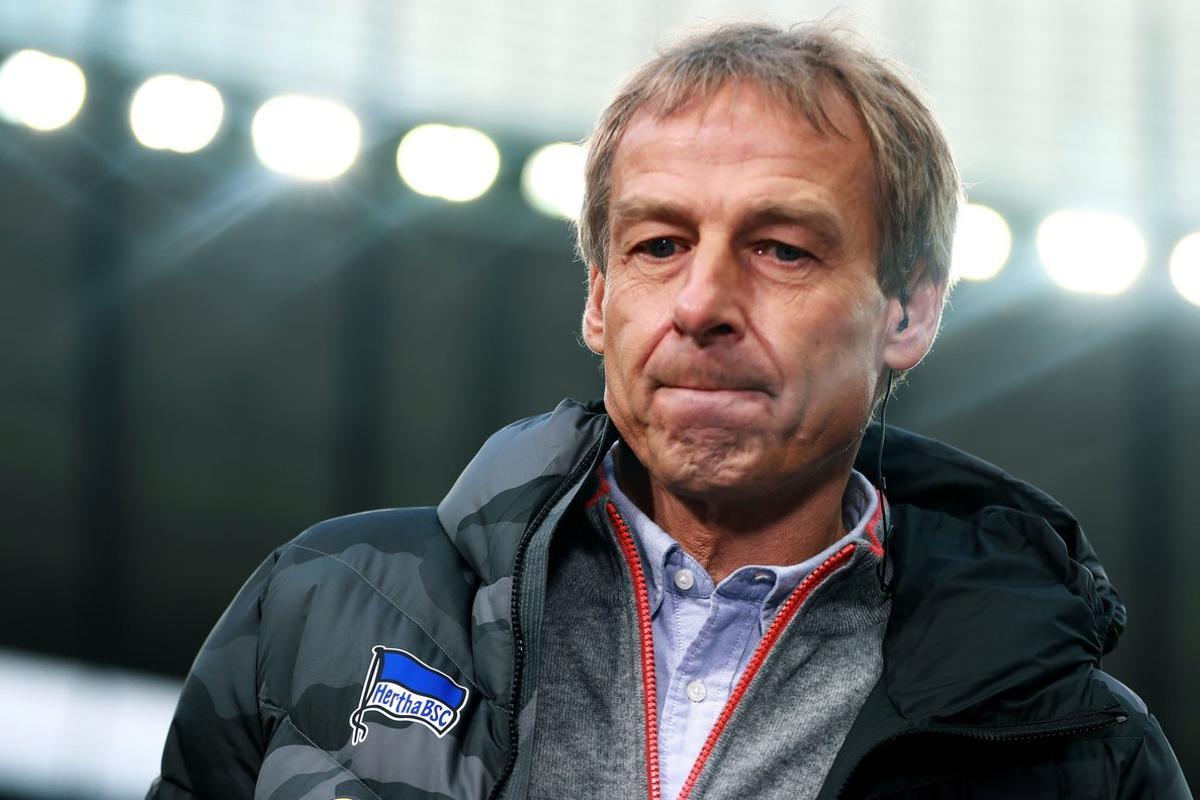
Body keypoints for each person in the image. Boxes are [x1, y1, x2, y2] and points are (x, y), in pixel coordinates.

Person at [148, 21, 1190, 800]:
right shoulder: (323, 611)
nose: (701, 303)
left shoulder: (1077, 752)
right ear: (599, 297)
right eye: (658, 244)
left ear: (909, 309)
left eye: (781, 247)